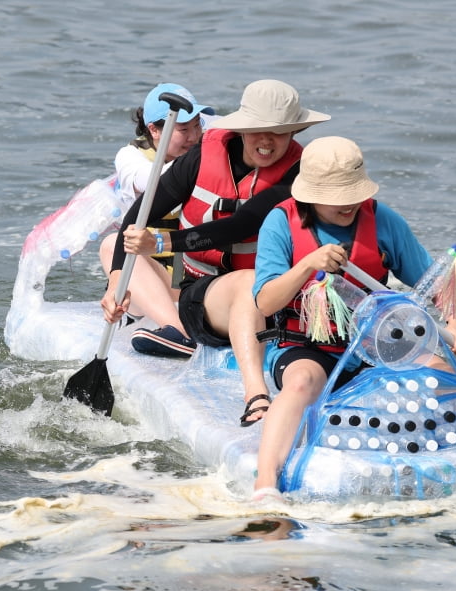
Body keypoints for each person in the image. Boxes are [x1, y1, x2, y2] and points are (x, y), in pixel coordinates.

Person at [251, 136, 456, 493]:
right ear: (311, 195)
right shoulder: (280, 223)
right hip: (310, 347)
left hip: (376, 344)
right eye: (336, 198)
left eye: (353, 194)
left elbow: (434, 285)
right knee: (300, 382)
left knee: (454, 381)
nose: (348, 204)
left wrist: (455, 320)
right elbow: (266, 303)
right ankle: (266, 483)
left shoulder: (381, 220)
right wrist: (307, 265)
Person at [104, 80, 329, 426]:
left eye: (280, 133)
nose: (267, 141)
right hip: (199, 298)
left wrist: (163, 244)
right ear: (241, 128)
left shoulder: (298, 173)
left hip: (271, 298)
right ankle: (177, 329)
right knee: (113, 247)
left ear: (294, 132)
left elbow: (240, 226)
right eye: (258, 131)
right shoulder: (203, 154)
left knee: (248, 282)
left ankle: (255, 395)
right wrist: (115, 281)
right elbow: (138, 217)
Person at [98, 83, 212, 357]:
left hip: (192, 277)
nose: (194, 137)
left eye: (198, 126)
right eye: (183, 130)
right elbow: (148, 181)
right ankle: (179, 334)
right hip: (148, 279)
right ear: (154, 129)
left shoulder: (206, 146)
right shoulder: (130, 157)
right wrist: (201, 160)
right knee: (113, 244)